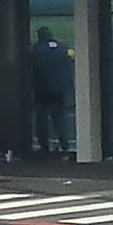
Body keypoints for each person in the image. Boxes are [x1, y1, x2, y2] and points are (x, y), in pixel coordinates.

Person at [29, 29, 73, 163]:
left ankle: (44, 148)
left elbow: (33, 69)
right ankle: (65, 147)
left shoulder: (37, 48)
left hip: (42, 90)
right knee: (59, 119)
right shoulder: (62, 47)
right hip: (59, 90)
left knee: (41, 120)